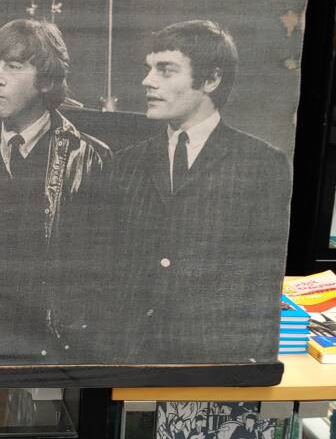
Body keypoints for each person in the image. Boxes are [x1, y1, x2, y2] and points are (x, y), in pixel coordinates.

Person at [110, 20, 292, 362]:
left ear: (211, 80)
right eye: (148, 69)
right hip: (130, 358)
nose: (147, 81)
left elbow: (263, 280)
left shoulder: (262, 163)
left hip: (216, 361)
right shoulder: (124, 164)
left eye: (165, 70)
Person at [0, 19, 110, 362]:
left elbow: (102, 275)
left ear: (46, 80)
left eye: (13, 67)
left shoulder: (89, 158)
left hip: (59, 349)